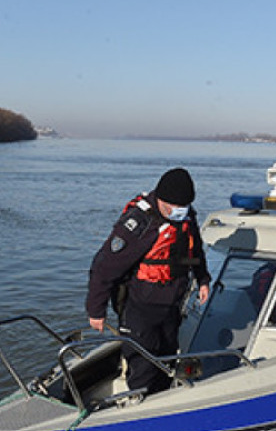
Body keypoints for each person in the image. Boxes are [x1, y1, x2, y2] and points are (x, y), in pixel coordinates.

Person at [85, 167, 211, 394]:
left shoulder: (186, 216)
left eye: (184, 207)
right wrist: (96, 311)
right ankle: (138, 407)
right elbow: (104, 266)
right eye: (174, 207)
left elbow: (195, 251)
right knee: (143, 365)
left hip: (172, 304)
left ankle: (163, 399)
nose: (180, 212)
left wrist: (203, 279)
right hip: (141, 306)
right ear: (161, 200)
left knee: (168, 359)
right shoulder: (139, 223)